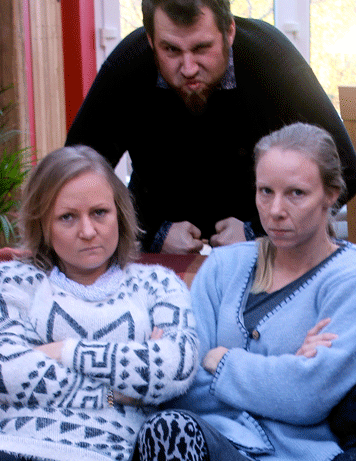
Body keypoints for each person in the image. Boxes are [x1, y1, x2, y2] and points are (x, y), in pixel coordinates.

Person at [65, 0, 356, 255]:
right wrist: (149, 232)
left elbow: (345, 169)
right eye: (171, 50)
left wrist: (260, 230)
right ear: (151, 40)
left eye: (201, 48)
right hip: (160, 244)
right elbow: (74, 174)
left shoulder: (271, 58)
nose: (188, 68)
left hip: (268, 243)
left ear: (229, 31)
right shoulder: (126, 67)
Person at [133, 123, 356, 461]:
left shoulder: (348, 278)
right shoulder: (224, 265)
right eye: (265, 191)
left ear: (330, 194)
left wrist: (220, 360)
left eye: (296, 193)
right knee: (167, 428)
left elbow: (306, 397)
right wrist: (286, 369)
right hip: (207, 443)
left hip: (295, 455)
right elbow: (177, 383)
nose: (276, 210)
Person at [0, 145, 199, 461]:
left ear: (119, 213)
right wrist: (116, 395)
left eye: (99, 213)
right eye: (67, 217)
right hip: (1, 444)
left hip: (100, 451)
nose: (88, 231)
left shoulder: (156, 285)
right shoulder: (9, 279)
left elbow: (175, 368)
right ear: (43, 225)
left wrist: (60, 351)